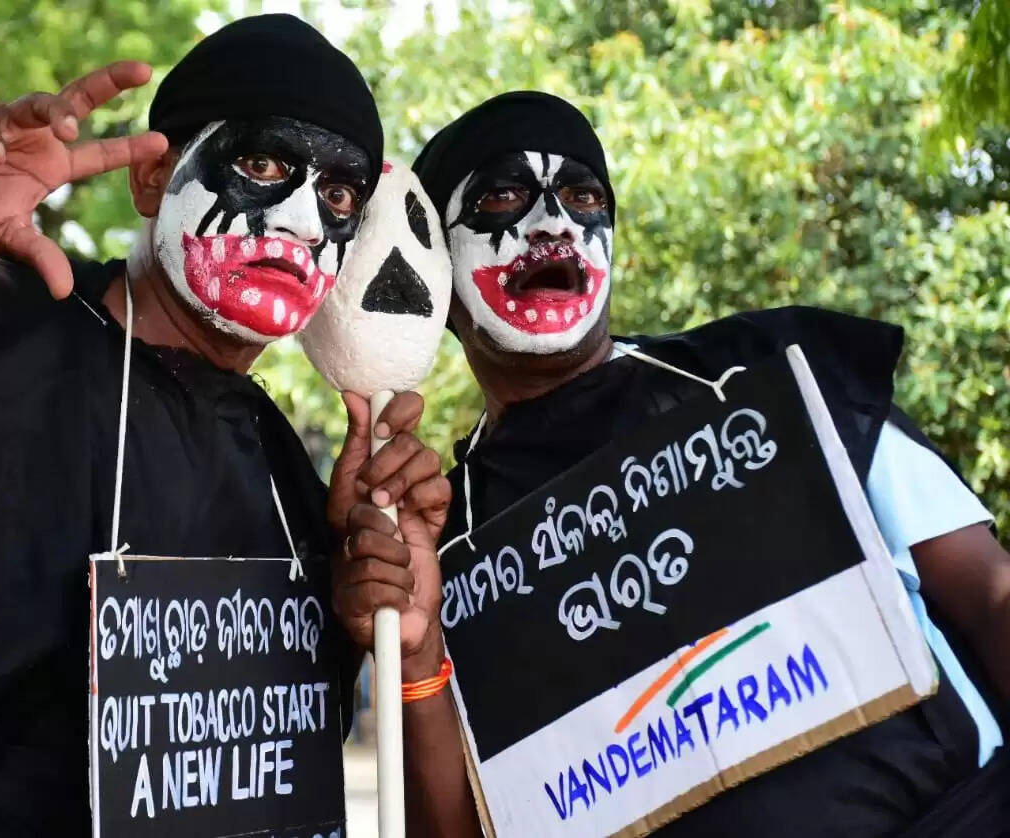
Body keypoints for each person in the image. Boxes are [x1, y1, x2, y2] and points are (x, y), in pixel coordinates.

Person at [0, 14, 446, 836]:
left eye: (339, 194)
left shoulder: (288, 482)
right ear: (152, 180)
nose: (301, 221)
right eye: (259, 163)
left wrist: (366, 602)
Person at [340, 91, 1010, 835]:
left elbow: (991, 594)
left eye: (581, 194)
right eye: (502, 196)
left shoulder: (778, 376)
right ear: (438, 276)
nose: (553, 225)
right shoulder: (439, 542)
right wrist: (419, 653)